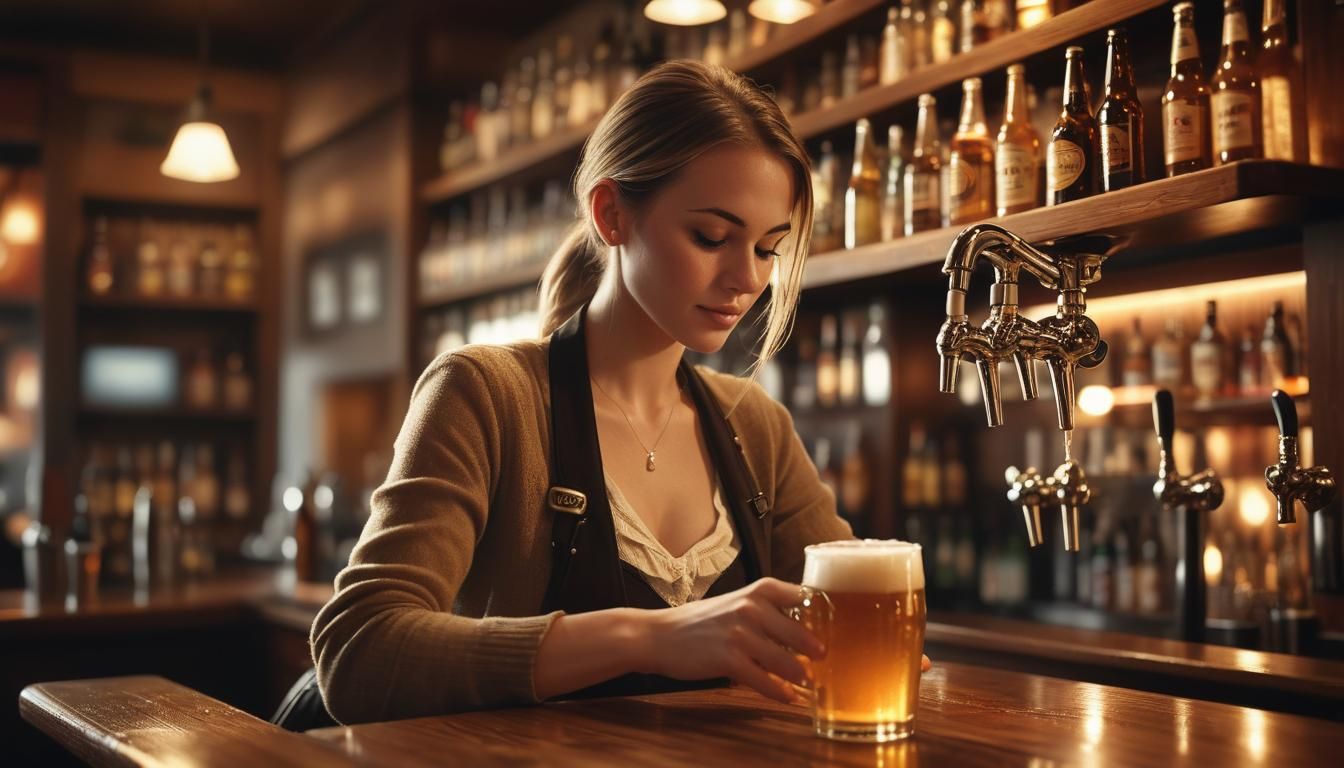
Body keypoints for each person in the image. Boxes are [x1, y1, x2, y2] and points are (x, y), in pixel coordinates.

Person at [310, 59, 929, 726]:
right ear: (611, 214)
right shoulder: (485, 395)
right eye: (711, 237)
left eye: (767, 249)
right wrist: (651, 635)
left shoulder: (757, 424)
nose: (746, 279)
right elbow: (359, 654)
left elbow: (838, 630)